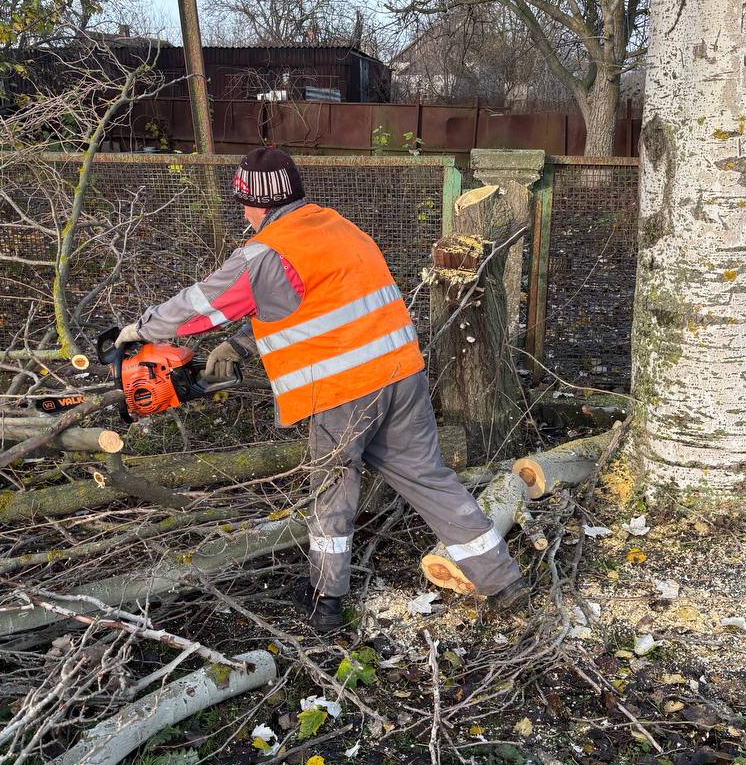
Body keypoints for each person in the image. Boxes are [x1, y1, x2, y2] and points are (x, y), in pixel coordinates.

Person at [116, 147, 529, 631]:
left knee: (332, 489)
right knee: (429, 479)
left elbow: (201, 305)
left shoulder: (266, 252)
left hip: (343, 392)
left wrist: (139, 332)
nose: (243, 214)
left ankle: (325, 599)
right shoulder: (338, 227)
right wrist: (242, 345)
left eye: (243, 204)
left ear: (259, 202)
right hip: (401, 375)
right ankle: (505, 583)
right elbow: (317, 302)